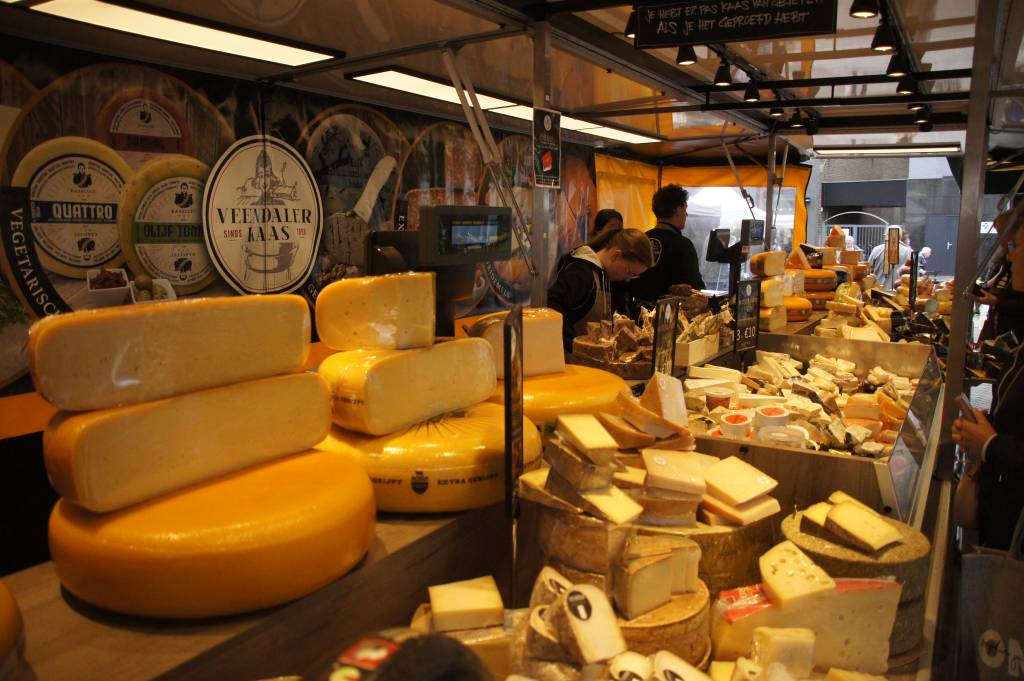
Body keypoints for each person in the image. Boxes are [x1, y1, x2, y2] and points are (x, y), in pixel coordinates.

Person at [953, 218, 1024, 550]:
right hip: (1002, 520)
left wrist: (990, 444)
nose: (1010, 256)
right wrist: (988, 426)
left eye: (1017, 246)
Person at [547, 227, 654, 351]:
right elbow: (552, 305)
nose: (627, 279)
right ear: (616, 255)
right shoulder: (581, 273)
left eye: (634, 276)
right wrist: (574, 346)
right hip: (570, 358)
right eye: (629, 272)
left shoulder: (604, 276)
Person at [629, 184, 706, 309]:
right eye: (685, 208)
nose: (686, 214)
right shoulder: (683, 245)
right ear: (676, 209)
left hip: (637, 312)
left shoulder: (640, 240)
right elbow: (696, 288)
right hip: (671, 315)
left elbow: (629, 281)